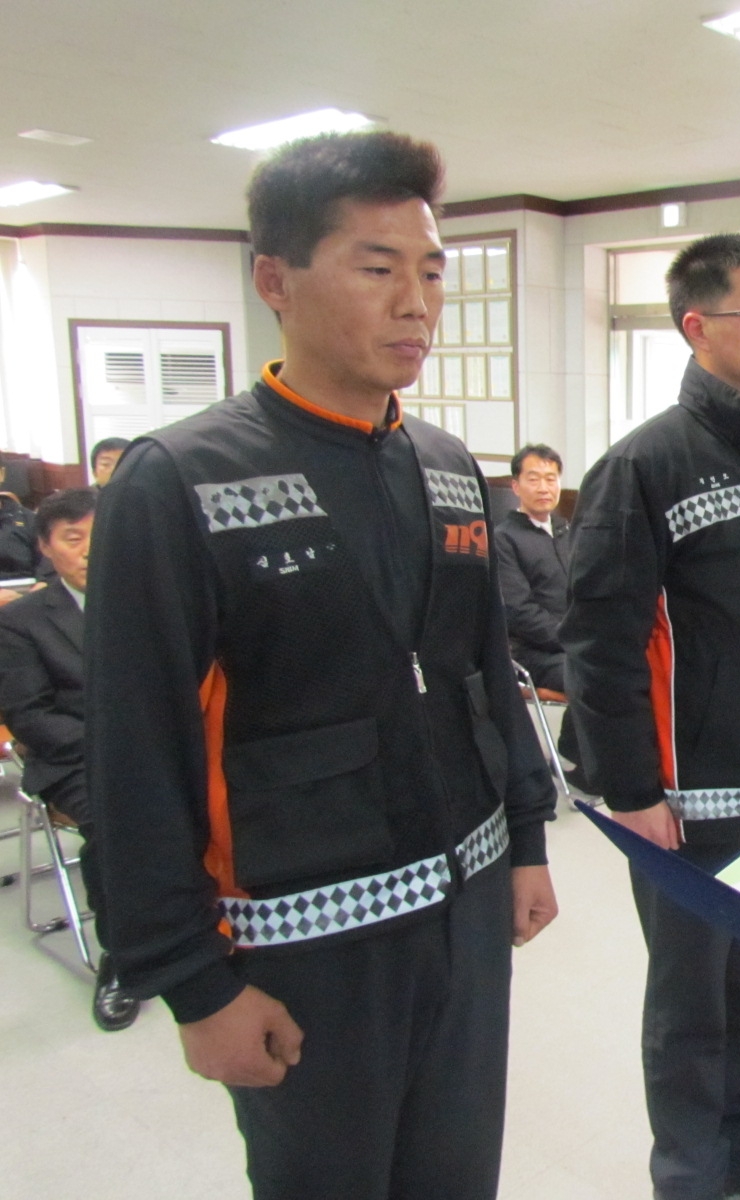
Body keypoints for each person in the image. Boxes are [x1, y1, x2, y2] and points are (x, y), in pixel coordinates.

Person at [84, 130, 559, 1200]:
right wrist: (192, 985)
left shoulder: (447, 467)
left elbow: (484, 672)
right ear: (275, 281)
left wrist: (525, 839)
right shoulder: (179, 481)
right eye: (377, 268)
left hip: (465, 911)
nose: (417, 305)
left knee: (454, 1175)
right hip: (305, 945)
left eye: (432, 271)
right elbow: (135, 751)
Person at [562, 233, 740, 1200]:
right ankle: (689, 1175)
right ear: (696, 326)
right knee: (691, 1007)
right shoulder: (646, 465)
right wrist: (631, 790)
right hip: (689, 802)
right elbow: (599, 643)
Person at [0, 487, 139, 1031]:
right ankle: (121, 957)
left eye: (100, 537)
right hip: (77, 760)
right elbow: (30, 717)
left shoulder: (153, 601)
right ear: (44, 546)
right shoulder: (22, 621)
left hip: (161, 748)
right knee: (119, 822)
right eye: (73, 538)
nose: (89, 550)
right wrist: (125, 750)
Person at [494, 441, 585, 784]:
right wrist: (575, 640)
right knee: (591, 674)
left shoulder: (568, 531)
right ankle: (579, 760)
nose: (544, 487)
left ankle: (591, 755)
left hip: (576, 644)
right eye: (533, 479)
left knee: (627, 664)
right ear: (516, 486)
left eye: (551, 478)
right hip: (533, 652)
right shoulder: (504, 538)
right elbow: (517, 611)